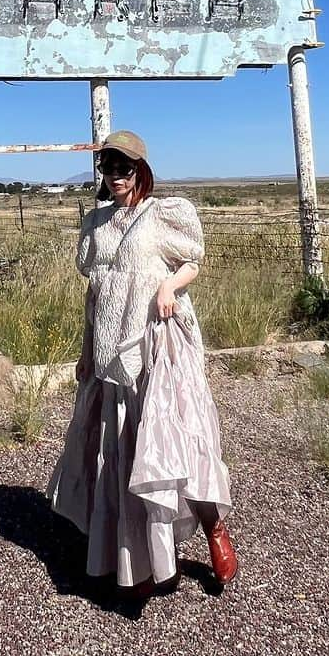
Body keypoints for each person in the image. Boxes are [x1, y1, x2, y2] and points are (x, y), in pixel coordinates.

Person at [47, 130, 237, 594]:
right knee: (122, 452)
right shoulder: (94, 224)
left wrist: (169, 287)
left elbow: (192, 261)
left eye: (125, 167)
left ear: (141, 171)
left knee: (172, 444)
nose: (116, 175)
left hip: (156, 343)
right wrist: (86, 350)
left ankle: (214, 529)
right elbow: (95, 296)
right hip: (112, 349)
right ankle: (136, 556)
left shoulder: (161, 215)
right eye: (109, 167)